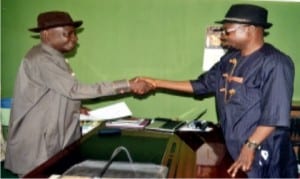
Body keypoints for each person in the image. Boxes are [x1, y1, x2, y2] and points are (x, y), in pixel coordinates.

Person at [138, 4, 298, 178]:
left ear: (250, 29)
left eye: (227, 31)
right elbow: (200, 85)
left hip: (264, 152)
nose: (222, 36)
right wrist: (154, 83)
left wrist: (250, 146)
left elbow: (274, 115)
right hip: (235, 148)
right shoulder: (230, 59)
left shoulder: (275, 63)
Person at [4, 11, 153, 176]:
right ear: (46, 35)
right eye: (68, 34)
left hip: (50, 139)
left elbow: (58, 93)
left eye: (74, 34)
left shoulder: (53, 57)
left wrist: (75, 107)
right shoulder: (41, 59)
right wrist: (127, 84)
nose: (75, 38)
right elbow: (74, 90)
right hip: (37, 145)